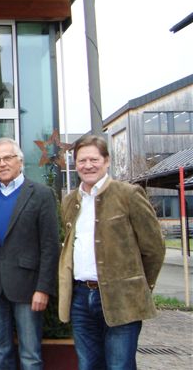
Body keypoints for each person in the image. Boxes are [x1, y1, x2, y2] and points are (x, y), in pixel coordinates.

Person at [58, 135, 165, 370]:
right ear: (75, 164)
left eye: (94, 159)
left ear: (106, 161)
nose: (88, 165)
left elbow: (154, 248)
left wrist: (138, 286)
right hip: (80, 298)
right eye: (82, 160)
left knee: (119, 365)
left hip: (122, 298)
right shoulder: (69, 201)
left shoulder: (128, 195)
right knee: (88, 365)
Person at [0, 137, 59, 370]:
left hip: (28, 287)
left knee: (30, 356)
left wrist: (43, 288)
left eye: (7, 158)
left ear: (20, 160)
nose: (2, 163)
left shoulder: (41, 194)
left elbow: (50, 246)